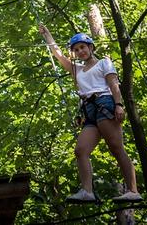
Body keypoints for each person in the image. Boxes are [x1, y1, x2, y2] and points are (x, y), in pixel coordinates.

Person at [38, 24, 141, 203]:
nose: (80, 51)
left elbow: (113, 85)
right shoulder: (76, 69)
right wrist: (48, 35)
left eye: (83, 47)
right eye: (76, 49)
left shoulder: (104, 62)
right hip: (89, 110)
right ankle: (87, 191)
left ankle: (133, 190)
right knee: (80, 150)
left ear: (91, 47)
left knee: (116, 148)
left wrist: (118, 105)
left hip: (105, 103)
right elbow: (58, 54)